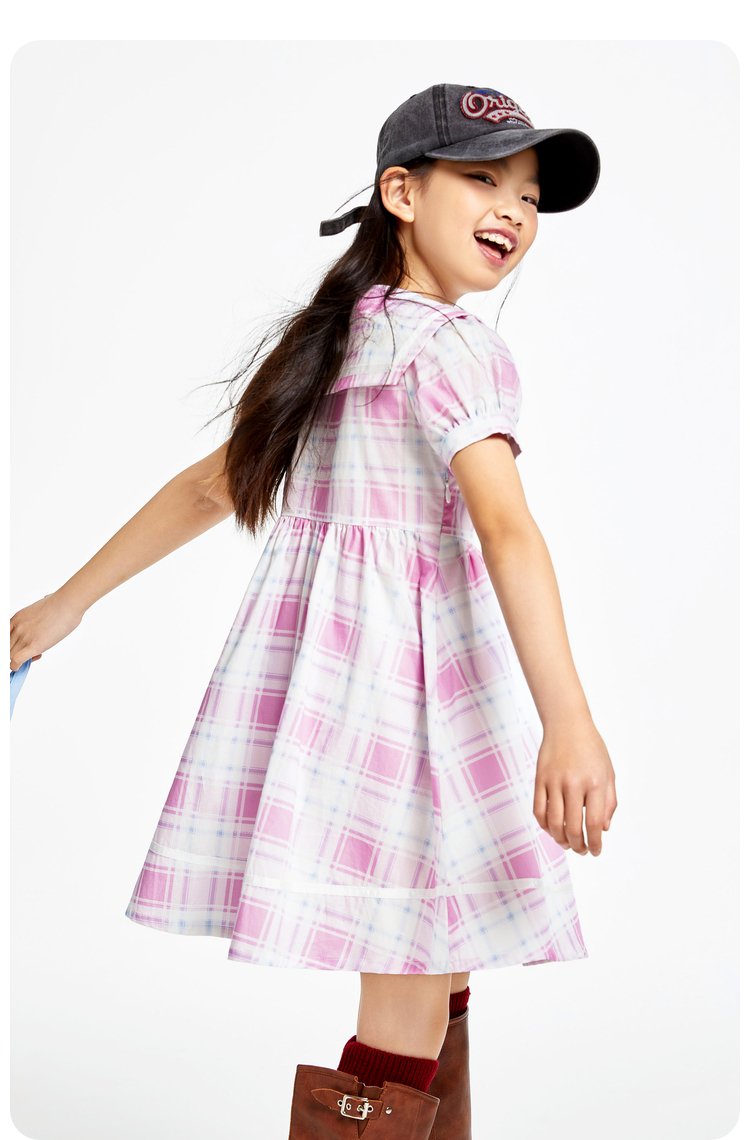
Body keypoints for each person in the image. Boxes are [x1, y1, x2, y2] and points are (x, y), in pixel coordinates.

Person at [9, 83, 618, 1138]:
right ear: (401, 193)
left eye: (528, 195)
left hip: (333, 699)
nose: (513, 212)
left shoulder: (336, 337)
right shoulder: (453, 347)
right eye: (483, 179)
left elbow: (213, 488)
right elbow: (508, 530)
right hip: (415, 706)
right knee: (414, 963)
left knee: (438, 949)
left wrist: (68, 604)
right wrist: (569, 721)